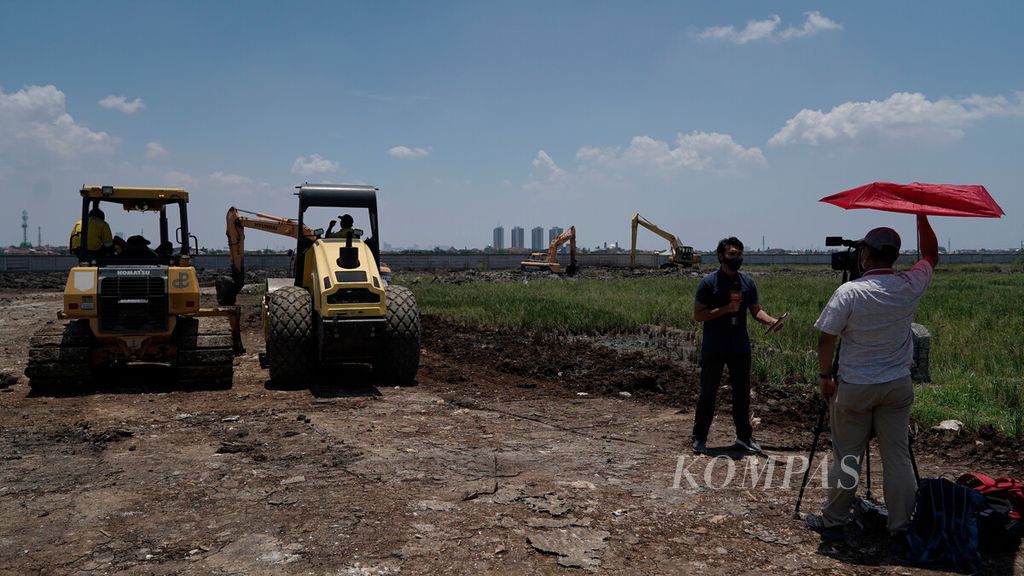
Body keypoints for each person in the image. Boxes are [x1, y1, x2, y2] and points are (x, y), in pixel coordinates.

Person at [805, 216, 938, 541]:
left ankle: (835, 519)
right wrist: (921, 216)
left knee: (848, 456)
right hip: (897, 385)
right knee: (896, 457)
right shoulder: (908, 285)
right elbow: (931, 255)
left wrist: (825, 376)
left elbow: (827, 337)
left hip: (856, 387)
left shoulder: (849, 292)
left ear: (865, 255)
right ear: (893, 255)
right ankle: (900, 526)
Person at [691, 236, 781, 455]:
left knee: (741, 394)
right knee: (708, 393)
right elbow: (698, 315)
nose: (736, 258)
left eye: (739, 254)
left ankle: (744, 438)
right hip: (714, 347)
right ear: (721, 256)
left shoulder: (748, 283)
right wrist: (725, 309)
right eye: (732, 254)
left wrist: (771, 321)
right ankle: (699, 438)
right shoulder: (708, 283)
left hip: (740, 347)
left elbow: (756, 310)